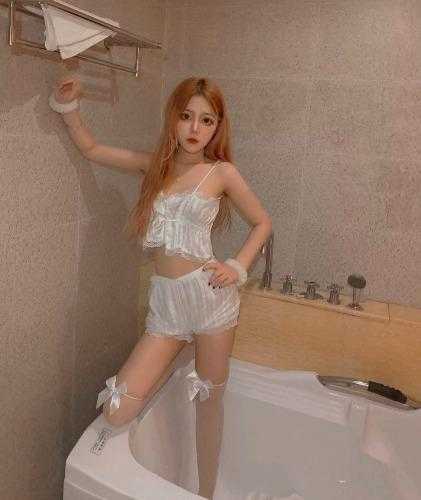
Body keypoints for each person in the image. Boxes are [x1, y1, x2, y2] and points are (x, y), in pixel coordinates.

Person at [49, 74, 272, 499]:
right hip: (167, 304)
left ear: (217, 127)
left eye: (206, 120)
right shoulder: (156, 166)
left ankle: (206, 492)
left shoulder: (221, 172)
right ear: (173, 118)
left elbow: (263, 222)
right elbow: (92, 149)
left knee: (209, 403)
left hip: (209, 299)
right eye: (187, 116)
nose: (194, 128)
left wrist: (237, 266)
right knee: (116, 410)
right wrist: (69, 107)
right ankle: (176, 356)